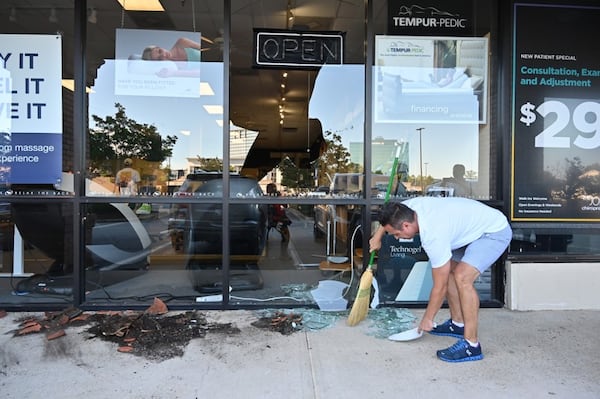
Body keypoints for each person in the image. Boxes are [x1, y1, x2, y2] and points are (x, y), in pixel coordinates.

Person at [369, 197, 512, 362]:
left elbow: (440, 286)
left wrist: (428, 319)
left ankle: (471, 345)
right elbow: (389, 217)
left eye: (396, 233)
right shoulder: (407, 209)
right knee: (451, 269)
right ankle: (457, 324)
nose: (395, 237)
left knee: (462, 277)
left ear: (406, 226)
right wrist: (378, 236)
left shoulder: (433, 235)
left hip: (492, 231)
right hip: (470, 229)